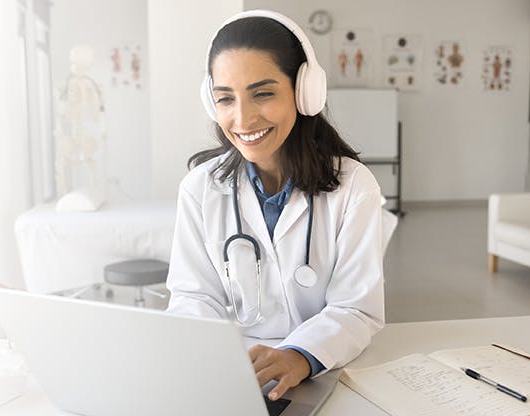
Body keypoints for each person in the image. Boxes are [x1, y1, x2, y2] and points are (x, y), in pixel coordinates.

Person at [165, 10, 384, 402]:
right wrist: (206, 359)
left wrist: (299, 355)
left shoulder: (354, 187)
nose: (243, 118)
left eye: (263, 93)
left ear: (304, 93)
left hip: (323, 371)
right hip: (234, 377)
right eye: (225, 99)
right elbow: (193, 297)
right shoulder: (200, 188)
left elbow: (357, 308)